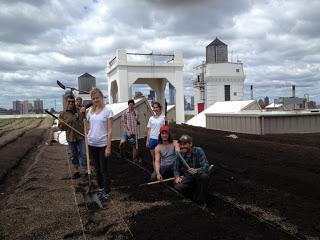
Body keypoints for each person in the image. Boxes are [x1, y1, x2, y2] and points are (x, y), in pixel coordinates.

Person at [86, 88, 113, 201]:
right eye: (93, 98)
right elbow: (88, 127)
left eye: (97, 97)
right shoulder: (89, 112)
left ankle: (107, 191)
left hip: (102, 145)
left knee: (104, 169)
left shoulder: (108, 111)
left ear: (102, 97)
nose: (96, 100)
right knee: (97, 169)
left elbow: (110, 130)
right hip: (92, 144)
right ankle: (101, 189)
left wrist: (108, 146)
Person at [174, 134, 212, 207]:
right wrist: (177, 176)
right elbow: (176, 168)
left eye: (185, 144)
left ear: (190, 144)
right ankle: (190, 198)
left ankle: (201, 202)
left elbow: (206, 166)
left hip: (198, 176)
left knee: (204, 177)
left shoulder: (198, 151)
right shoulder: (180, 154)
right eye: (181, 144)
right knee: (177, 188)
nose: (182, 146)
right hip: (188, 177)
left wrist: (197, 170)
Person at [59, 94, 86, 179]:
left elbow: (84, 121)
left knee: (83, 154)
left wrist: (84, 113)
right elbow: (61, 128)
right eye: (69, 102)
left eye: (72, 102)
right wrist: (63, 123)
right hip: (71, 137)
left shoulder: (79, 111)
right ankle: (76, 171)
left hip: (81, 136)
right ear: (66, 102)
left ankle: (85, 170)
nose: (71, 103)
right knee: (74, 155)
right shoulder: (63, 114)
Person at [146, 102, 166, 170]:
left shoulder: (163, 118)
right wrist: (147, 140)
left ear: (160, 108)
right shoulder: (151, 118)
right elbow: (149, 129)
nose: (155, 109)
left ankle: (161, 170)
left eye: (156, 107)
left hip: (160, 139)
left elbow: (166, 130)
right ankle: (156, 171)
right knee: (154, 157)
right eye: (154, 107)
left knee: (160, 157)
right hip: (152, 139)